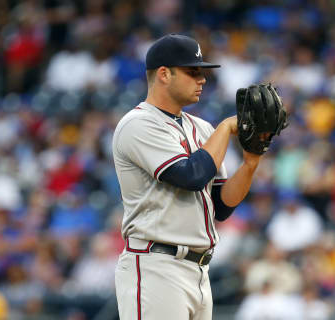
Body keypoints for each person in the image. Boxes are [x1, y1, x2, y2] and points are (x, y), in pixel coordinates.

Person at [112, 33, 263, 320]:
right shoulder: (138, 124)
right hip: (156, 266)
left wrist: (251, 163)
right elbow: (190, 175)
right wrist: (226, 128)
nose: (202, 79)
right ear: (164, 74)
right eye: (192, 72)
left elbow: (222, 205)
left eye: (202, 72)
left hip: (199, 270)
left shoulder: (203, 128)